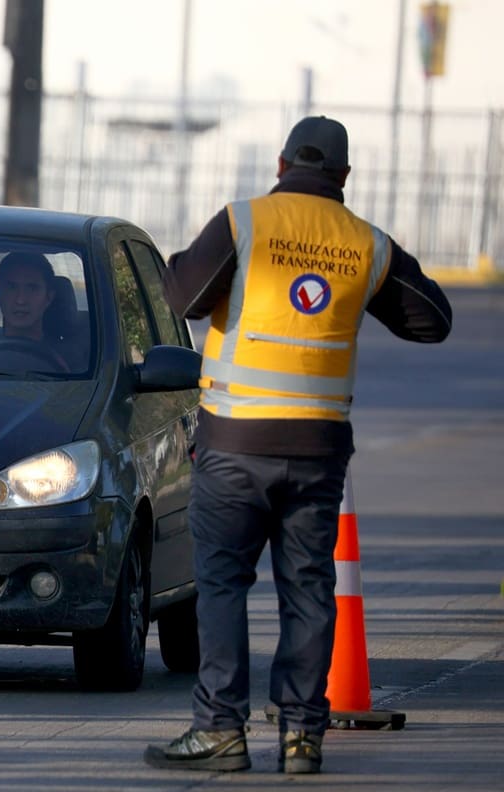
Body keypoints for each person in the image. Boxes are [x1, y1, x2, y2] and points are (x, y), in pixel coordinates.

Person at [144, 116, 452, 775]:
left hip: (235, 442)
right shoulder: (366, 243)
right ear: (343, 177)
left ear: (282, 164)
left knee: (223, 584)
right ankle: (302, 737)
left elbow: (183, 296)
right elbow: (433, 321)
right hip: (317, 449)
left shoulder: (244, 223)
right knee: (308, 586)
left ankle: (220, 730)